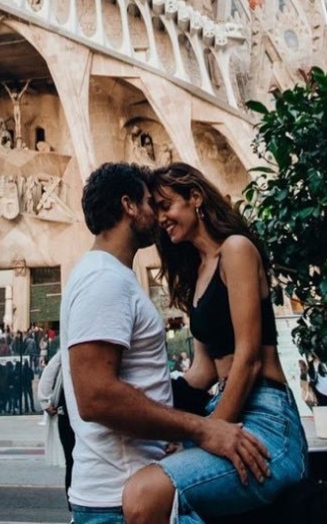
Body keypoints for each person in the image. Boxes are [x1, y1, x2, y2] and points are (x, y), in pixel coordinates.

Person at [60, 162, 270, 524]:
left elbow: (187, 377)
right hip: (122, 497)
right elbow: (95, 396)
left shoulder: (111, 278)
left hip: (136, 490)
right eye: (150, 203)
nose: (158, 216)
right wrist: (201, 429)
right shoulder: (103, 280)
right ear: (129, 206)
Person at [121, 162, 309, 523]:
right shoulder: (198, 273)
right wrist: (140, 397)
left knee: (144, 497)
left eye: (166, 205)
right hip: (223, 412)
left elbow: (249, 357)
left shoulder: (235, 250)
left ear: (195, 198)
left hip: (266, 419)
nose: (161, 217)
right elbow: (202, 371)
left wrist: (209, 431)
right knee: (141, 484)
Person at [37, 349, 75, 514]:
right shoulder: (69, 350)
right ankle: (74, 506)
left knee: (73, 462)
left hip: (68, 412)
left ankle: (74, 506)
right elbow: (50, 370)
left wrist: (45, 400)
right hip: (68, 413)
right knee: (73, 462)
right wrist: (44, 399)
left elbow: (50, 369)